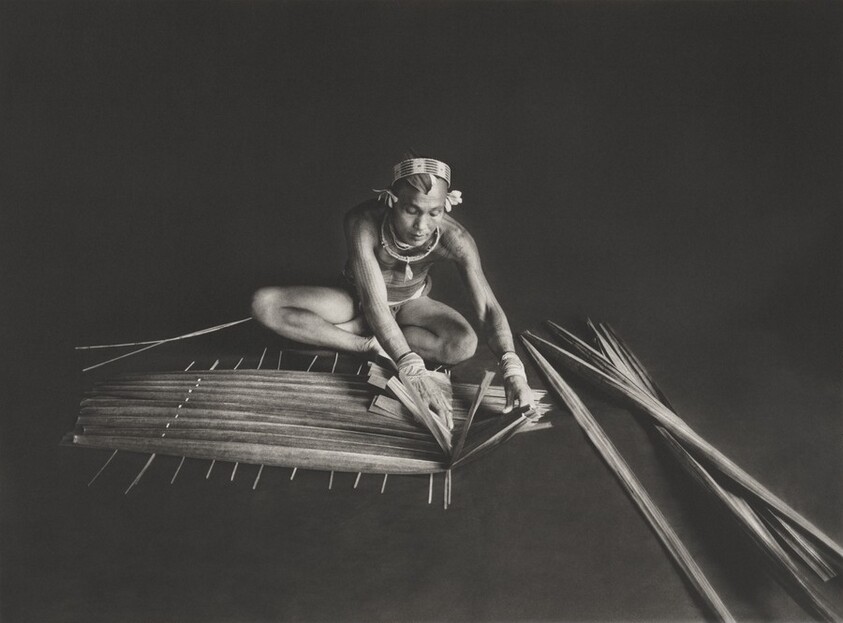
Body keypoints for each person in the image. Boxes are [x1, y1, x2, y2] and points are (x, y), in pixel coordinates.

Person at [252, 156, 534, 430]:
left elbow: (487, 309)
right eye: (411, 210)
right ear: (391, 200)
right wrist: (413, 371)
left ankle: (358, 336)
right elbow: (374, 303)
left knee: (463, 344)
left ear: (446, 206)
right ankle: (368, 345)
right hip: (357, 301)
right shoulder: (363, 222)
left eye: (434, 213)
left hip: (411, 304)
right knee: (264, 304)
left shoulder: (455, 239)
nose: (421, 226)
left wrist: (512, 367)